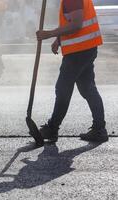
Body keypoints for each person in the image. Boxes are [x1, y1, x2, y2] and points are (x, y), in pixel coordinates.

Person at [36, 0, 108, 143]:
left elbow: (76, 24)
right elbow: (70, 20)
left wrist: (50, 33)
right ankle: (99, 129)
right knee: (87, 88)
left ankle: (52, 128)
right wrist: (59, 39)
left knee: (63, 88)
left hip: (79, 52)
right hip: (86, 48)